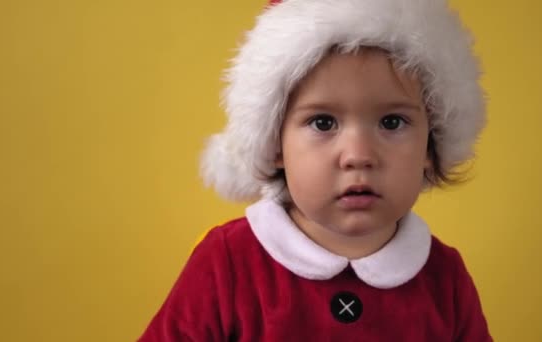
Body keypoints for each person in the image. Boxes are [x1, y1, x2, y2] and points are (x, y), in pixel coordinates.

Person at [139, 0, 492, 340]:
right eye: (323, 122)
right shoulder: (228, 264)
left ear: (431, 145)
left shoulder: (444, 278)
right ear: (275, 144)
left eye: (392, 121)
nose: (358, 155)